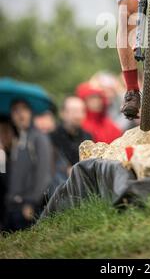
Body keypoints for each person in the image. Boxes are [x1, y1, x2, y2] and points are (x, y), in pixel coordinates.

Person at [4, 100, 53, 232]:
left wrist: (31, 202)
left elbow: (44, 174)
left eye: (24, 109)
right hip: (11, 207)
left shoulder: (39, 138)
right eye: (15, 110)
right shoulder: (16, 140)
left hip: (27, 208)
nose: (20, 114)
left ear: (31, 112)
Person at [50, 96, 92, 168]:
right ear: (62, 113)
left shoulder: (88, 137)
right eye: (74, 111)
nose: (78, 115)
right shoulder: (52, 137)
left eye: (81, 111)